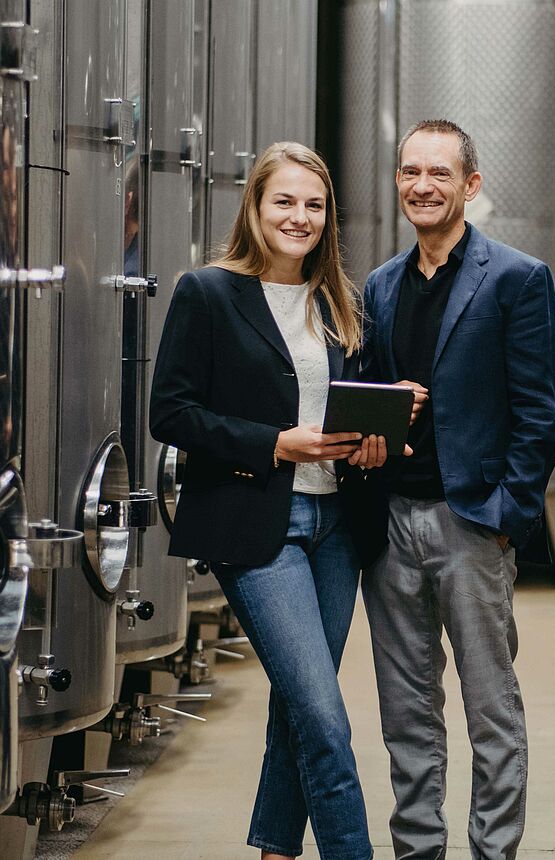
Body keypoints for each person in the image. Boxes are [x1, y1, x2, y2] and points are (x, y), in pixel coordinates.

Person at [150, 141, 388, 860]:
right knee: (323, 716)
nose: (300, 217)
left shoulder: (340, 300)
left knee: (296, 708)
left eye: (314, 205)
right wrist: (274, 443)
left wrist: (378, 430)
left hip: (337, 528)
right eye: (284, 201)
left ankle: (275, 852)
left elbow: (349, 403)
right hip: (261, 525)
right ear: (254, 207)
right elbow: (172, 413)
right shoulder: (208, 291)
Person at [359, 119, 555, 859]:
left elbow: (541, 415)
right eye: (410, 171)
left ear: (470, 186)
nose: (422, 185)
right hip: (389, 529)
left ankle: (492, 852)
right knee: (406, 712)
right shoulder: (379, 287)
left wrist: (505, 516)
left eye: (439, 173)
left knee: (490, 711)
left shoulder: (515, 278)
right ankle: (418, 850)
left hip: (471, 523)